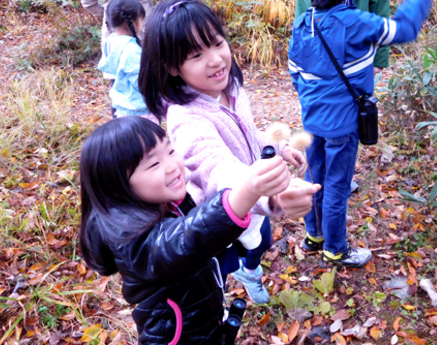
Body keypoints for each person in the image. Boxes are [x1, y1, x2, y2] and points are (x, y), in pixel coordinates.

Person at [139, 0, 319, 303]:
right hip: (222, 217)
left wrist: (278, 147)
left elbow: (246, 135)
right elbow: (216, 168)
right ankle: (219, 301)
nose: (216, 59)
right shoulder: (186, 119)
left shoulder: (230, 89)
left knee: (260, 243)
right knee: (218, 270)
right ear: (172, 67)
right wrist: (269, 194)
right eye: (196, 54)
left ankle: (250, 272)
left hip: (255, 208)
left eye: (217, 43)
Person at [79, 116, 300, 344]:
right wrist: (247, 191)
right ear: (118, 186)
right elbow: (187, 238)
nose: (173, 165)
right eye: (154, 164)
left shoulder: (165, 203)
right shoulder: (132, 239)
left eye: (171, 151)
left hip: (200, 320)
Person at [289, 0, 437, 268]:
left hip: (312, 119)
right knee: (337, 185)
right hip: (343, 126)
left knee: (314, 175)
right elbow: (404, 29)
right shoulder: (357, 22)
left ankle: (314, 234)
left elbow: (295, 71)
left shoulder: (304, 24)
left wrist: (313, 101)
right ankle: (335, 247)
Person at [97, 0, 155, 120]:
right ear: (134, 22)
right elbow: (141, 83)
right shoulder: (131, 50)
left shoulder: (111, 41)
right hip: (139, 112)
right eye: (141, 20)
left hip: (122, 108)